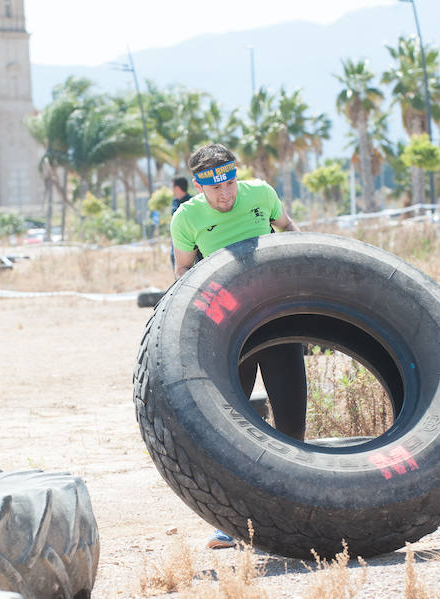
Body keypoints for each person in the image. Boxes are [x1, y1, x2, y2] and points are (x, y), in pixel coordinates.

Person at [170, 143, 306, 550]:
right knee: (229, 428)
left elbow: (291, 231)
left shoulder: (260, 193)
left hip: (277, 320)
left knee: (292, 424)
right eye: (216, 189)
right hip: (228, 333)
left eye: (230, 182)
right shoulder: (186, 217)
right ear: (199, 186)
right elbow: (182, 270)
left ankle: (296, 514)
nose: (226, 194)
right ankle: (233, 522)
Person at [169, 177, 193, 269]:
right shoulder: (174, 202)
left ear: (177, 188)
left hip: (188, 244)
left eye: (172, 187)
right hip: (175, 243)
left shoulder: (191, 202)